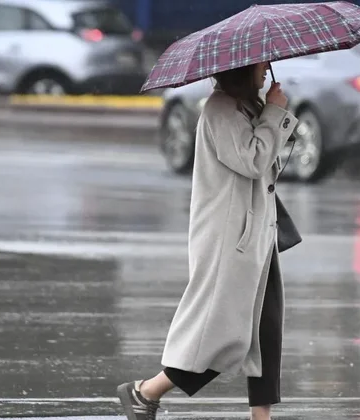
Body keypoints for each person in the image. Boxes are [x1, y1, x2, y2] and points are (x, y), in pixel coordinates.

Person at [116, 61, 298, 420]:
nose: (267, 69)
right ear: (243, 68)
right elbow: (252, 160)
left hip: (256, 234)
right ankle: (146, 390)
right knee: (223, 336)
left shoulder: (245, 106)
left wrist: (271, 113)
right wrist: (276, 112)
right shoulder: (220, 109)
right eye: (262, 63)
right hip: (230, 241)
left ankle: (261, 416)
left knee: (265, 329)